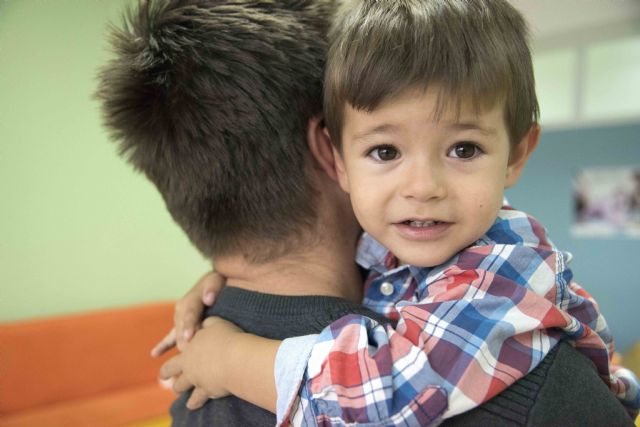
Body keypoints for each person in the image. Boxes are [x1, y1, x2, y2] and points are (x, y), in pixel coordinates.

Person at [157, 0, 640, 426]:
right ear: (337, 160)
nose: (423, 187)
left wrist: (229, 360)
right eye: (386, 152)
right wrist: (219, 276)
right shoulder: (400, 237)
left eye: (464, 148)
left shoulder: (503, 267)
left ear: (516, 154)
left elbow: (391, 396)